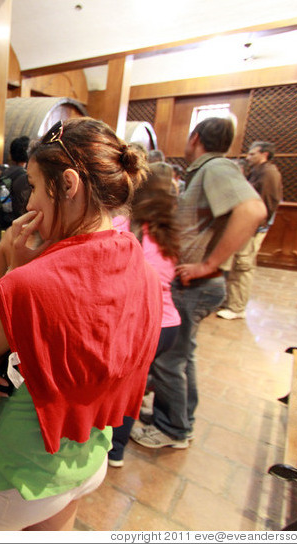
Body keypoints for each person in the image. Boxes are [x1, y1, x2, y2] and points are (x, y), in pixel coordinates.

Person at [0, 117, 163, 531]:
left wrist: (10, 269)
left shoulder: (29, 285)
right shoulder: (138, 260)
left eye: (32, 185)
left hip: (23, 469)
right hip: (88, 453)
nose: (28, 203)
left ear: (68, 184)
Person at [131, 117, 266, 450]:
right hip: (196, 283)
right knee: (181, 357)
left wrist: (208, 264)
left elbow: (252, 209)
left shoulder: (216, 167)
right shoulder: (209, 170)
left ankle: (173, 429)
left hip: (196, 284)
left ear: (194, 138)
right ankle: (177, 418)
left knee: (169, 360)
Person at [108, 161, 182, 467]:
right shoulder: (166, 235)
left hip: (144, 324)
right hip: (170, 324)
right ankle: (117, 447)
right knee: (135, 387)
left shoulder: (124, 229)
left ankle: (113, 449)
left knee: (123, 389)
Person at [217, 141, 283, 320]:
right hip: (248, 226)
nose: (248, 157)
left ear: (265, 154)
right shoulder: (259, 172)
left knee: (243, 266)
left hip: (253, 227)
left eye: (253, 154)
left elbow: (265, 204)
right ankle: (232, 301)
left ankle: (237, 307)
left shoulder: (269, 173)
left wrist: (253, 225)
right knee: (237, 264)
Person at [0, 136, 31, 230]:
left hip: (0, 226)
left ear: (11, 154)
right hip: (17, 230)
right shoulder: (26, 178)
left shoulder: (4, 173)